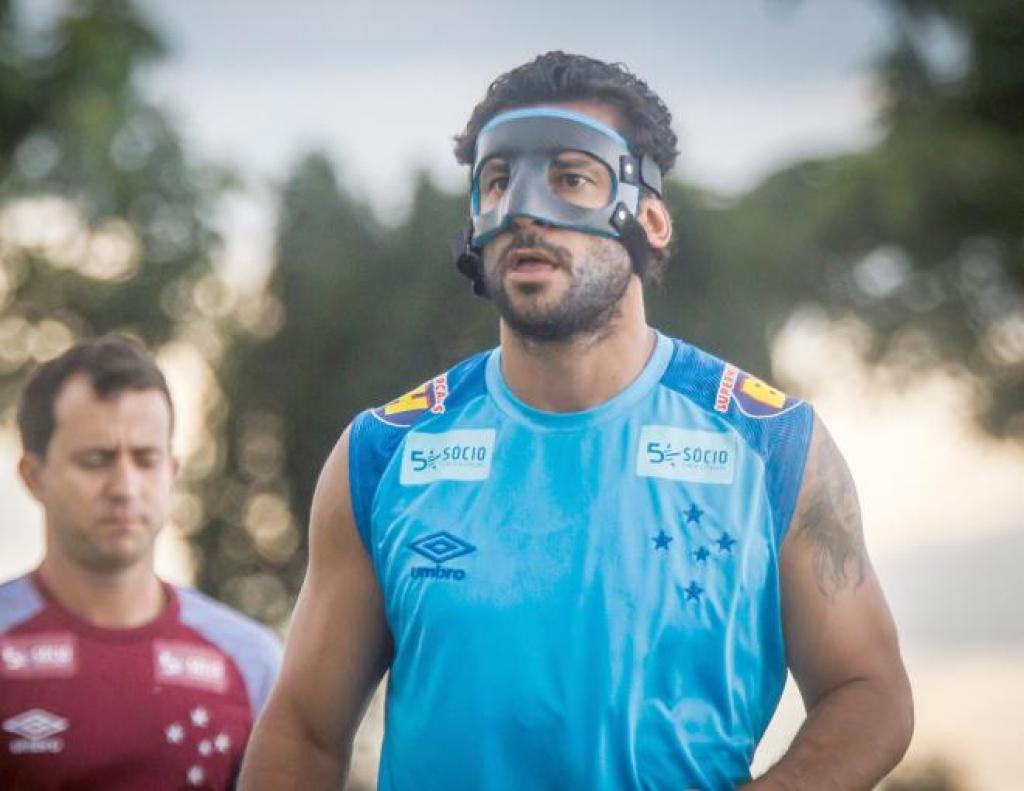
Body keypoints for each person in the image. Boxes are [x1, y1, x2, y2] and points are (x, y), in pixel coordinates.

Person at [240, 52, 913, 790]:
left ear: (650, 219)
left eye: (570, 178)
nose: (524, 210)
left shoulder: (774, 445)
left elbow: (870, 693)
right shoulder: (383, 454)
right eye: (499, 181)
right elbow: (303, 732)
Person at [1, 335, 281, 790]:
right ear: (34, 476)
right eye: (96, 460)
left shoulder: (252, 661)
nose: (125, 487)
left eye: (146, 460)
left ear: (171, 472)